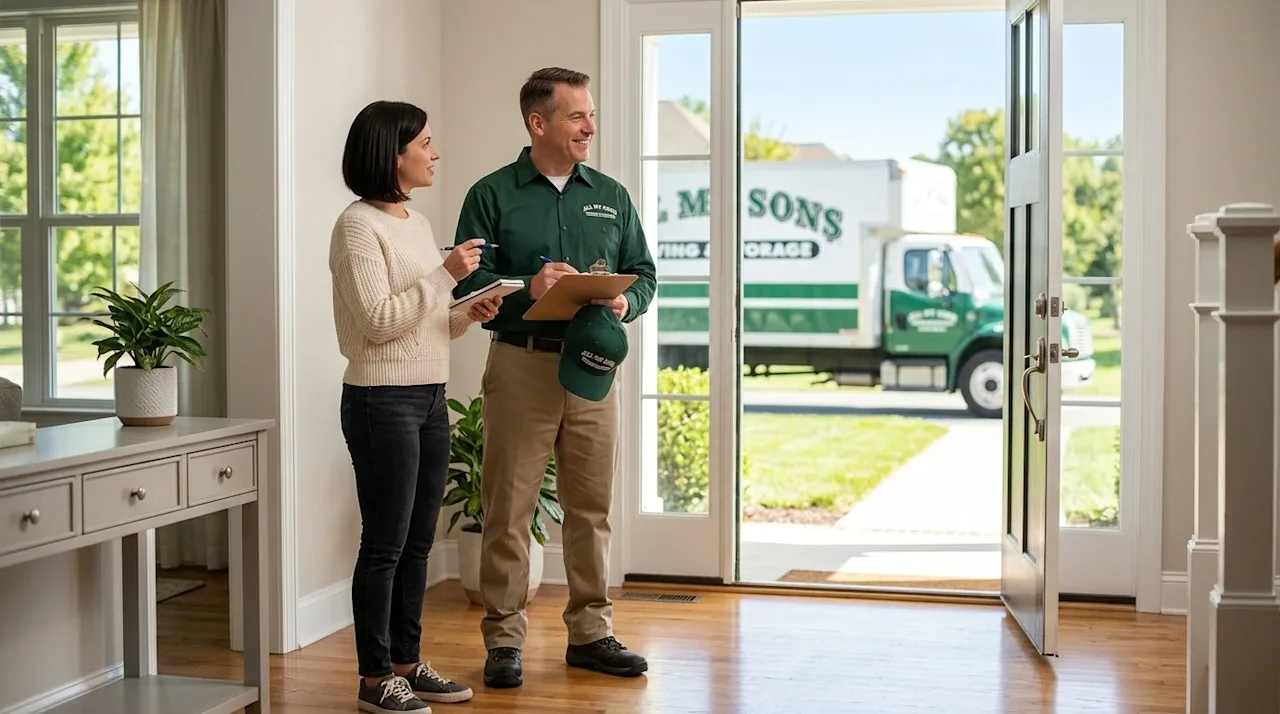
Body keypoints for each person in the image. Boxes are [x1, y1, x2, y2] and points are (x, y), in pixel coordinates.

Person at [450, 67, 657, 689]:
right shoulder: (491, 194)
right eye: (577, 115)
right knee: (509, 508)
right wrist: (526, 289)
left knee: (591, 508)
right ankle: (504, 640)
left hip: (593, 366)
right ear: (538, 123)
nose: (589, 126)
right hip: (522, 364)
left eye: (591, 114)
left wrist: (625, 301)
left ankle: (591, 634)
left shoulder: (612, 195)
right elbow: (465, 286)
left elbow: (644, 273)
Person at [330, 100, 502, 714]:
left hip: (429, 396)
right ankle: (375, 679)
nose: (435, 153)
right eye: (425, 143)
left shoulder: (417, 222)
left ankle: (407, 664)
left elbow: (424, 323)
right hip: (380, 401)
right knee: (384, 544)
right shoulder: (357, 226)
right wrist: (446, 275)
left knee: (419, 543)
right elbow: (378, 324)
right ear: (392, 153)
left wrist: (468, 312)